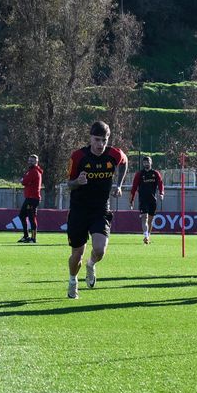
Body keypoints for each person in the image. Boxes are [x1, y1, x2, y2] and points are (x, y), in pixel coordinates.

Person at [65, 121, 127, 299]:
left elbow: (124, 162)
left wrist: (119, 185)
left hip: (100, 209)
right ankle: (72, 280)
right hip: (79, 210)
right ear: (90, 138)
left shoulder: (114, 154)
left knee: (99, 249)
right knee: (77, 254)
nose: (100, 144)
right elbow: (68, 184)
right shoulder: (78, 157)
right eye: (97, 139)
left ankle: (91, 265)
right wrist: (77, 182)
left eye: (104, 140)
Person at [129, 155, 164, 244]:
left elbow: (160, 184)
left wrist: (161, 193)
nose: (146, 164)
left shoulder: (155, 173)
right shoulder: (139, 174)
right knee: (144, 217)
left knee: (151, 220)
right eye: (144, 162)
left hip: (152, 200)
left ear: (151, 163)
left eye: (147, 162)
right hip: (143, 200)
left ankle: (148, 236)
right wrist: (132, 199)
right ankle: (145, 236)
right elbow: (134, 187)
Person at [17, 155, 42, 243]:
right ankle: (26, 236)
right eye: (29, 160)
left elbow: (24, 182)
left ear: (36, 162)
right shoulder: (31, 171)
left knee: (31, 217)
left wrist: (22, 180)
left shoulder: (34, 171)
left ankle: (33, 238)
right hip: (30, 198)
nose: (30, 162)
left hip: (32, 198)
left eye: (32, 161)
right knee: (22, 215)